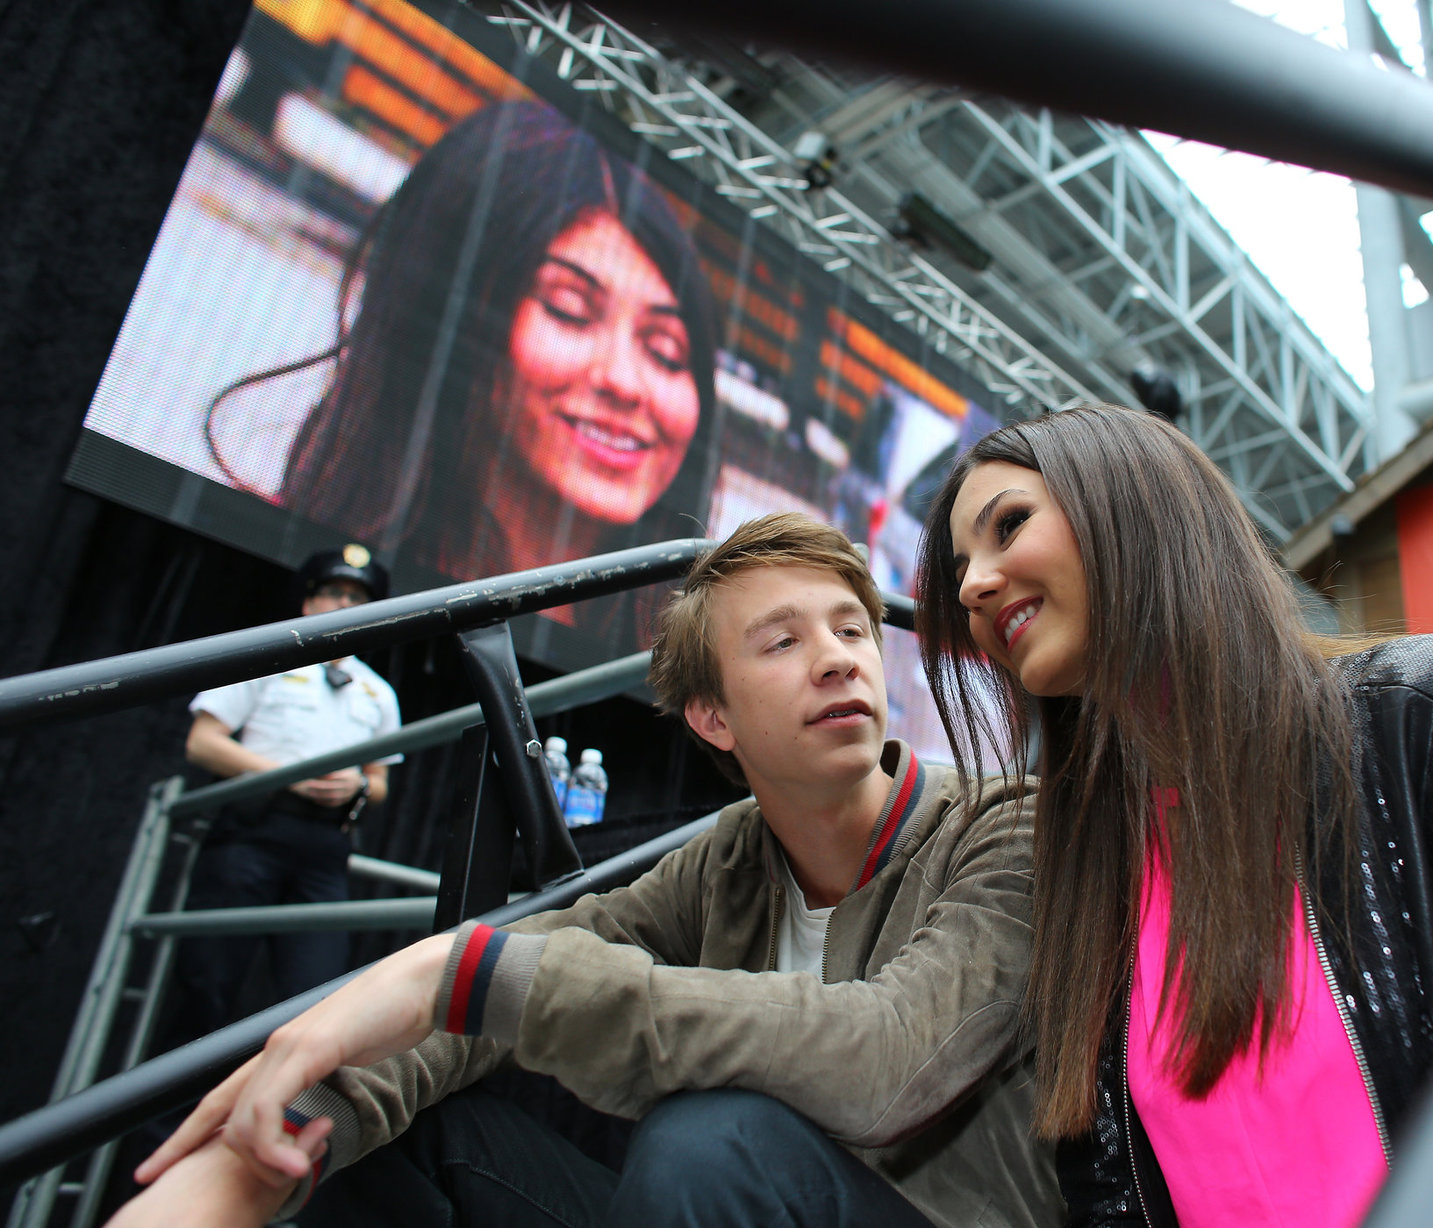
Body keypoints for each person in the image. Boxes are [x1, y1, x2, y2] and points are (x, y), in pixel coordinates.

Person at [113, 513, 1057, 1228]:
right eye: (782, 641)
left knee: (709, 1142)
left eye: (853, 631)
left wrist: (453, 974)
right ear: (712, 719)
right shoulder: (723, 862)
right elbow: (477, 1008)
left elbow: (890, 1061)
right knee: (401, 1137)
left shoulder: (1007, 826)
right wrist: (247, 1160)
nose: (836, 661)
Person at [912, 405, 1433, 1227]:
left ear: (1133, 507)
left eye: (1007, 525)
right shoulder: (1084, 860)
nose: (973, 587)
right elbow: (1104, 1187)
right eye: (961, 570)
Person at [209, 99, 719, 640]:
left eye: (666, 351)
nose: (625, 382)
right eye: (569, 310)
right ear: (447, 314)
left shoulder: (689, 681)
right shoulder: (271, 587)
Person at [169, 545, 401, 1043]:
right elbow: (202, 743)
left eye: (358, 597)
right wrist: (286, 776)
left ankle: (285, 1117)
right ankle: (164, 1123)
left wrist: (359, 784)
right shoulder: (265, 658)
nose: (344, 604)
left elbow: (379, 781)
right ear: (308, 603)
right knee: (208, 983)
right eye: (333, 593)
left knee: (318, 997)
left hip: (325, 848)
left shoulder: (379, 693)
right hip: (252, 834)